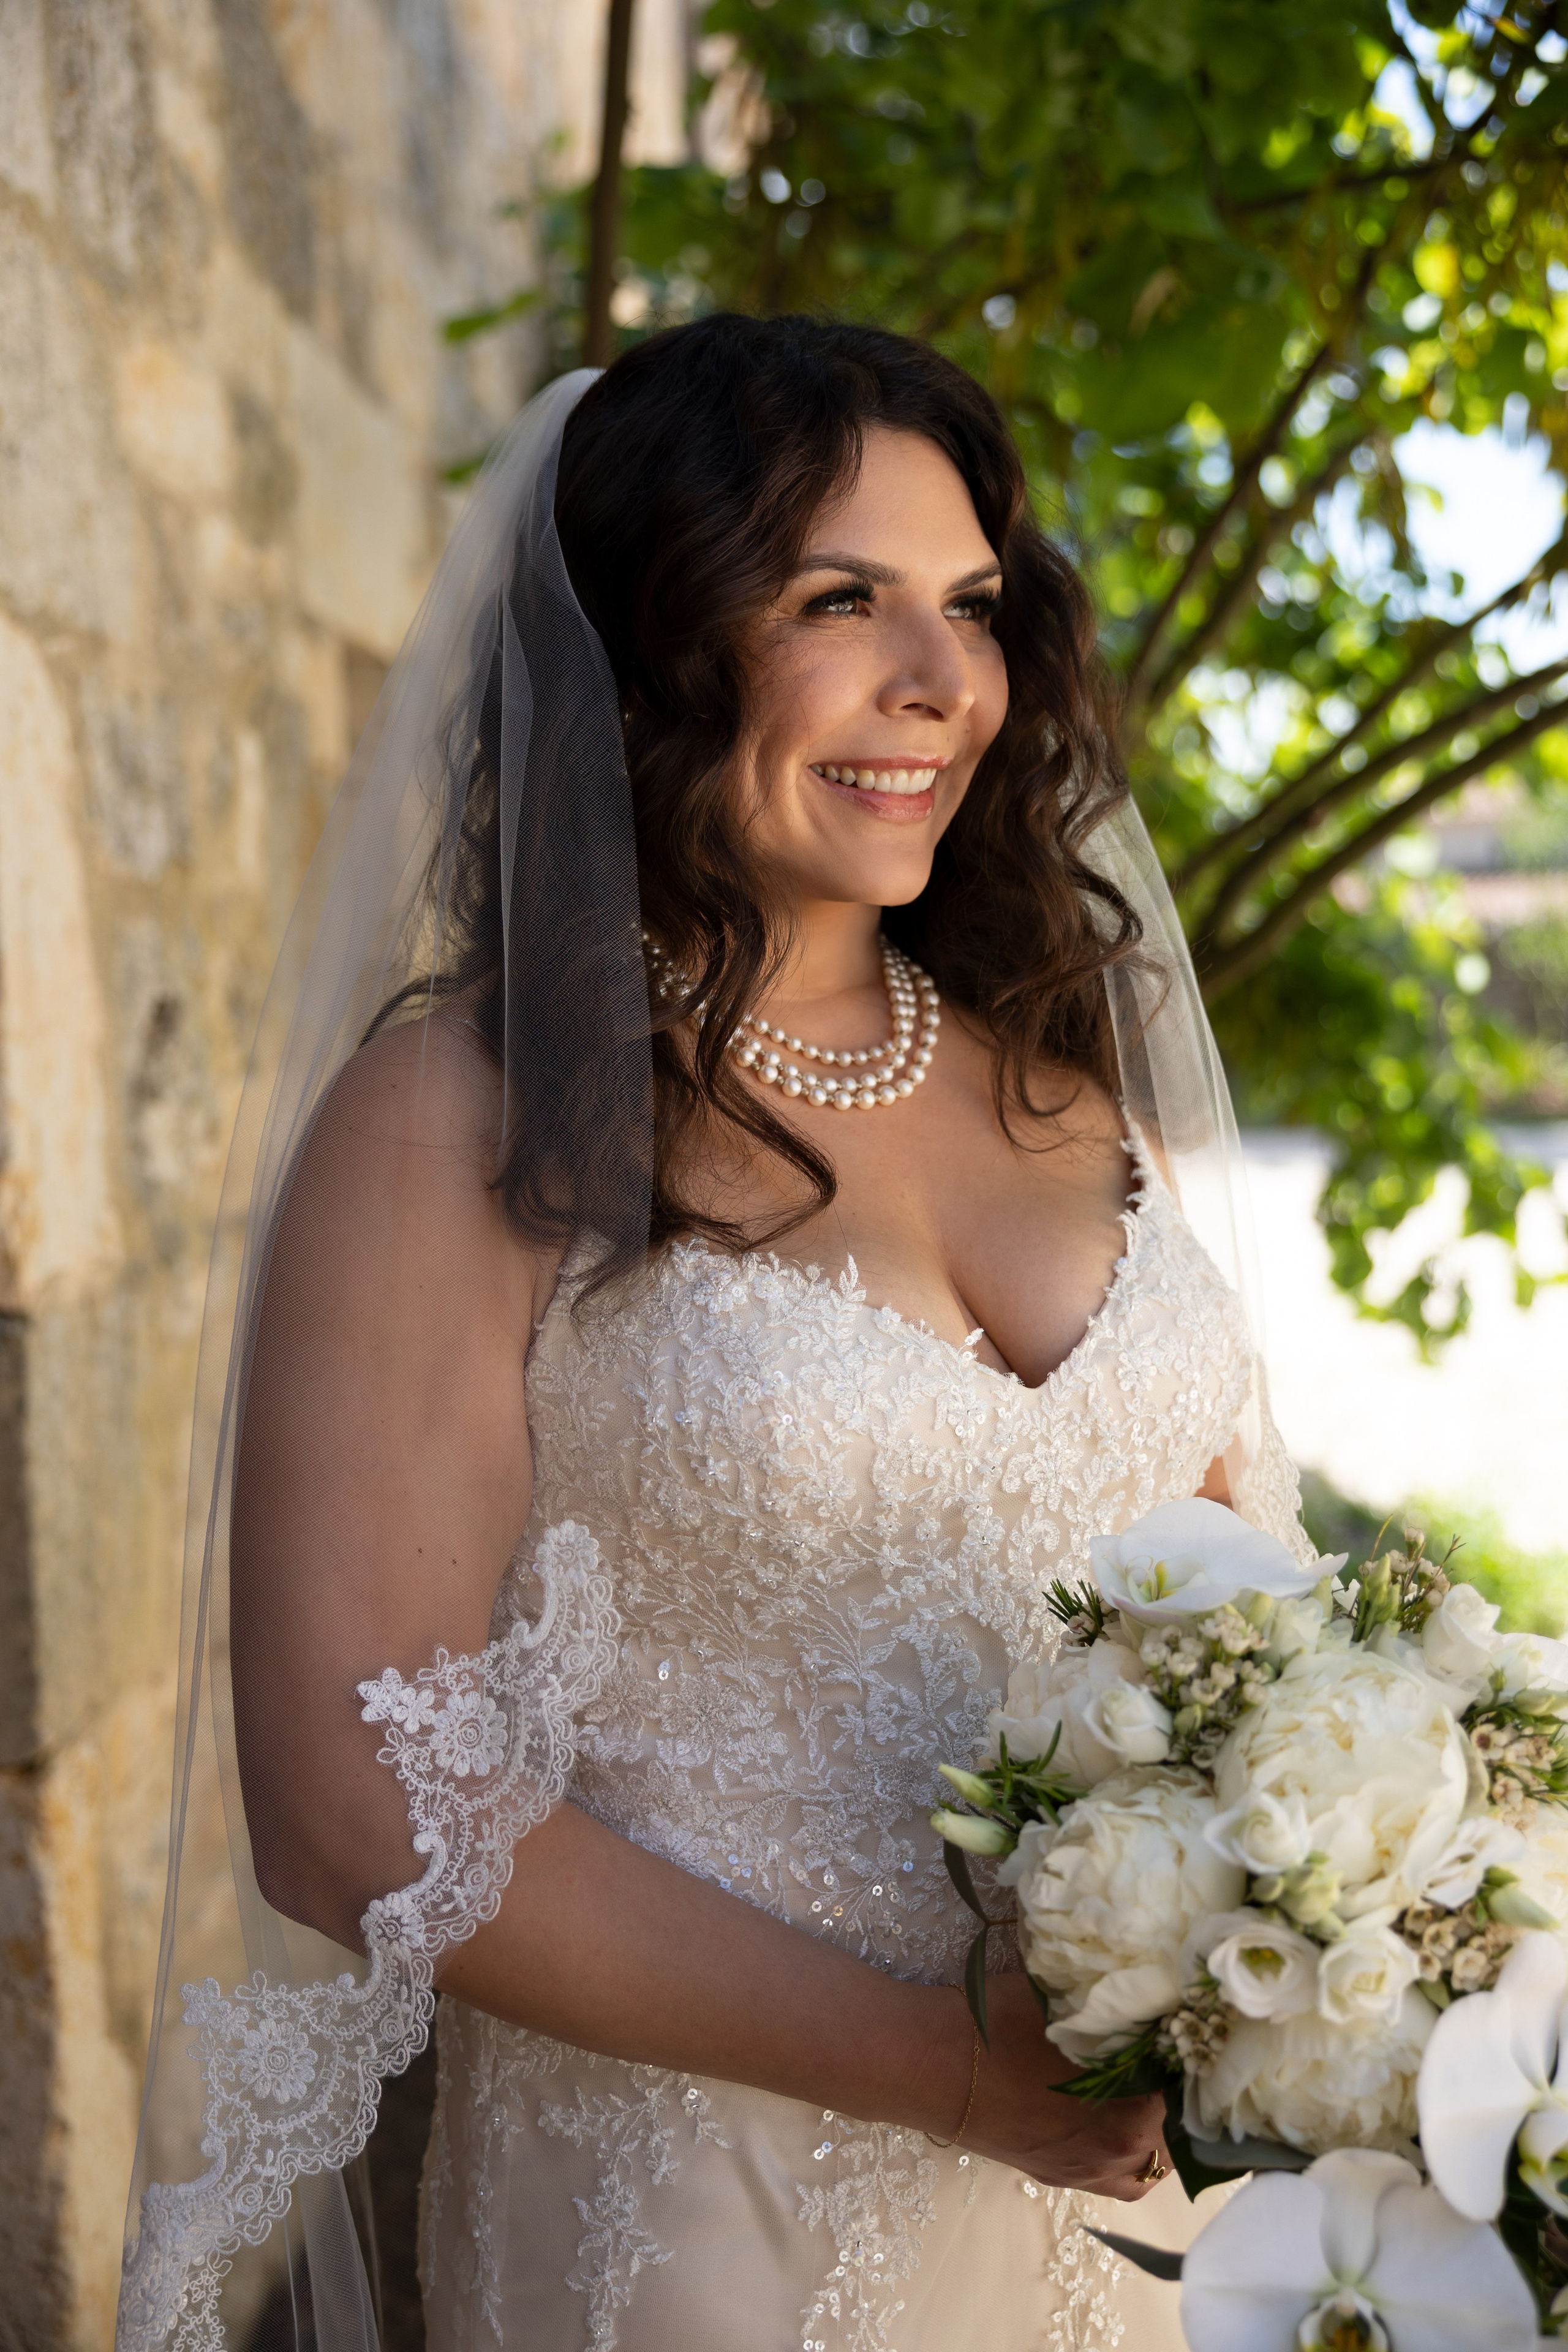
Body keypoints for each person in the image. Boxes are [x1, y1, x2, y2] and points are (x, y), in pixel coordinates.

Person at [119, 316, 1312, 2352]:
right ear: (653, 640)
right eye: (838, 600)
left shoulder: (1062, 1078)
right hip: (697, 2228)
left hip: (1144, 2245)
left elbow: (1243, 1635)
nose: (939, 684)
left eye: (969, 606)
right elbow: (349, 1800)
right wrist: (949, 2071)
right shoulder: (471, 1116)